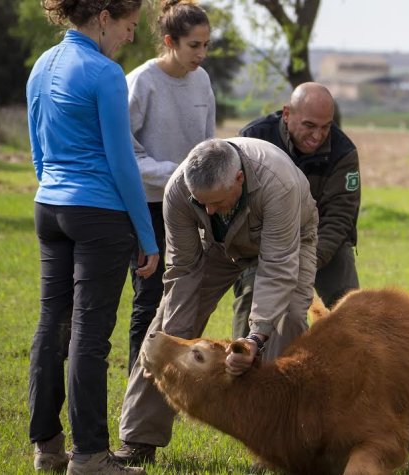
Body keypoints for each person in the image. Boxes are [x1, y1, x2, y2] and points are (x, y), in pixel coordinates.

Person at [113, 137, 318, 465]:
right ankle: (139, 438)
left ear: (238, 179)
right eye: (201, 203)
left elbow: (277, 267)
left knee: (287, 319)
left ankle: (278, 444)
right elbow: (182, 269)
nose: (208, 210)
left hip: (289, 240)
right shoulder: (178, 191)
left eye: (216, 202)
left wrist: (254, 338)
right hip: (220, 244)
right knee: (164, 327)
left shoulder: (278, 183)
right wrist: (175, 340)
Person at [26, 1, 158, 473]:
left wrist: (54, 189)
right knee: (89, 336)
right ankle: (90, 458)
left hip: (49, 206)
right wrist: (147, 235)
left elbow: (38, 145)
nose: (129, 37)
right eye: (128, 26)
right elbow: (123, 163)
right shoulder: (104, 73)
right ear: (104, 17)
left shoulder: (42, 65)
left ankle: (46, 448)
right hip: (99, 213)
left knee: (50, 324)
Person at [125, 0, 215, 374]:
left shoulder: (203, 81)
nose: (202, 53)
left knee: (184, 297)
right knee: (148, 299)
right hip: (147, 207)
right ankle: (138, 381)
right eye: (194, 45)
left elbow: (208, 143)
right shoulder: (140, 82)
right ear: (169, 41)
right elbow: (124, 152)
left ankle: (170, 379)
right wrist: (176, 174)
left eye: (206, 44)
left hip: (191, 207)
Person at [231, 82, 360, 338]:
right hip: (263, 239)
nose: (318, 135)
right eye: (310, 125)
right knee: (253, 296)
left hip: (322, 241)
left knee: (350, 307)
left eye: (326, 127)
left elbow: (340, 217)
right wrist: (273, 258)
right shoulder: (252, 139)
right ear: (287, 114)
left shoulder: (343, 152)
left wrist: (307, 262)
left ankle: (348, 365)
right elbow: (237, 204)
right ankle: (244, 360)